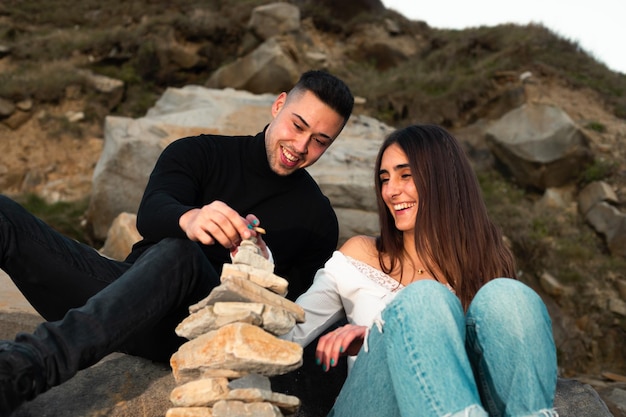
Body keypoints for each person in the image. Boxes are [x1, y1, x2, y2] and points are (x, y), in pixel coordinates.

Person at [0, 70, 354, 416]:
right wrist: (190, 218)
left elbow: (291, 323)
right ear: (278, 106)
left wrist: (260, 267)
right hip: (124, 298)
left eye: (320, 141)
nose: (301, 146)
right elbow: (152, 212)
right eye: (298, 125)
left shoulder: (318, 220)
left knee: (180, 254)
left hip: (196, 334)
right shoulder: (200, 152)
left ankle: (19, 372)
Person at [283, 124, 558, 417]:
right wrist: (385, 338)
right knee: (423, 298)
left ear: (442, 180)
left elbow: (512, 367)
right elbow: (288, 333)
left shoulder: (484, 264)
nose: (390, 191)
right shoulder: (358, 256)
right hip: (371, 406)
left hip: (457, 402)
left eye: (406, 175)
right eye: (384, 179)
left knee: (510, 296)